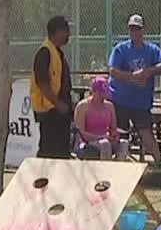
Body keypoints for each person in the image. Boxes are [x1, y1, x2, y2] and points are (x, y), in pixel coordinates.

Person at [106, 13, 161, 160]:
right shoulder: (121, 49)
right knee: (120, 134)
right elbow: (113, 71)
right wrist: (133, 77)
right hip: (120, 100)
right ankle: (117, 162)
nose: (134, 32)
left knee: (146, 132)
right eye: (132, 29)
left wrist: (148, 72)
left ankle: (159, 163)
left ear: (143, 30)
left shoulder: (152, 49)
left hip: (141, 102)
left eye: (137, 29)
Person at [32, 14, 74, 159]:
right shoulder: (45, 52)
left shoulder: (57, 52)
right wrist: (59, 104)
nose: (68, 34)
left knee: (62, 154)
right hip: (50, 112)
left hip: (60, 113)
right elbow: (42, 83)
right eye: (66, 31)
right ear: (56, 32)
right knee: (49, 153)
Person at [74, 76, 125, 160]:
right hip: (86, 142)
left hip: (105, 139)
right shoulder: (83, 106)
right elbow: (81, 133)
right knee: (105, 144)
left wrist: (114, 136)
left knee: (124, 144)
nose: (103, 97)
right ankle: (105, 170)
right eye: (101, 94)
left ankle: (117, 167)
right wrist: (101, 137)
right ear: (94, 92)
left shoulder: (110, 106)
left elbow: (113, 129)